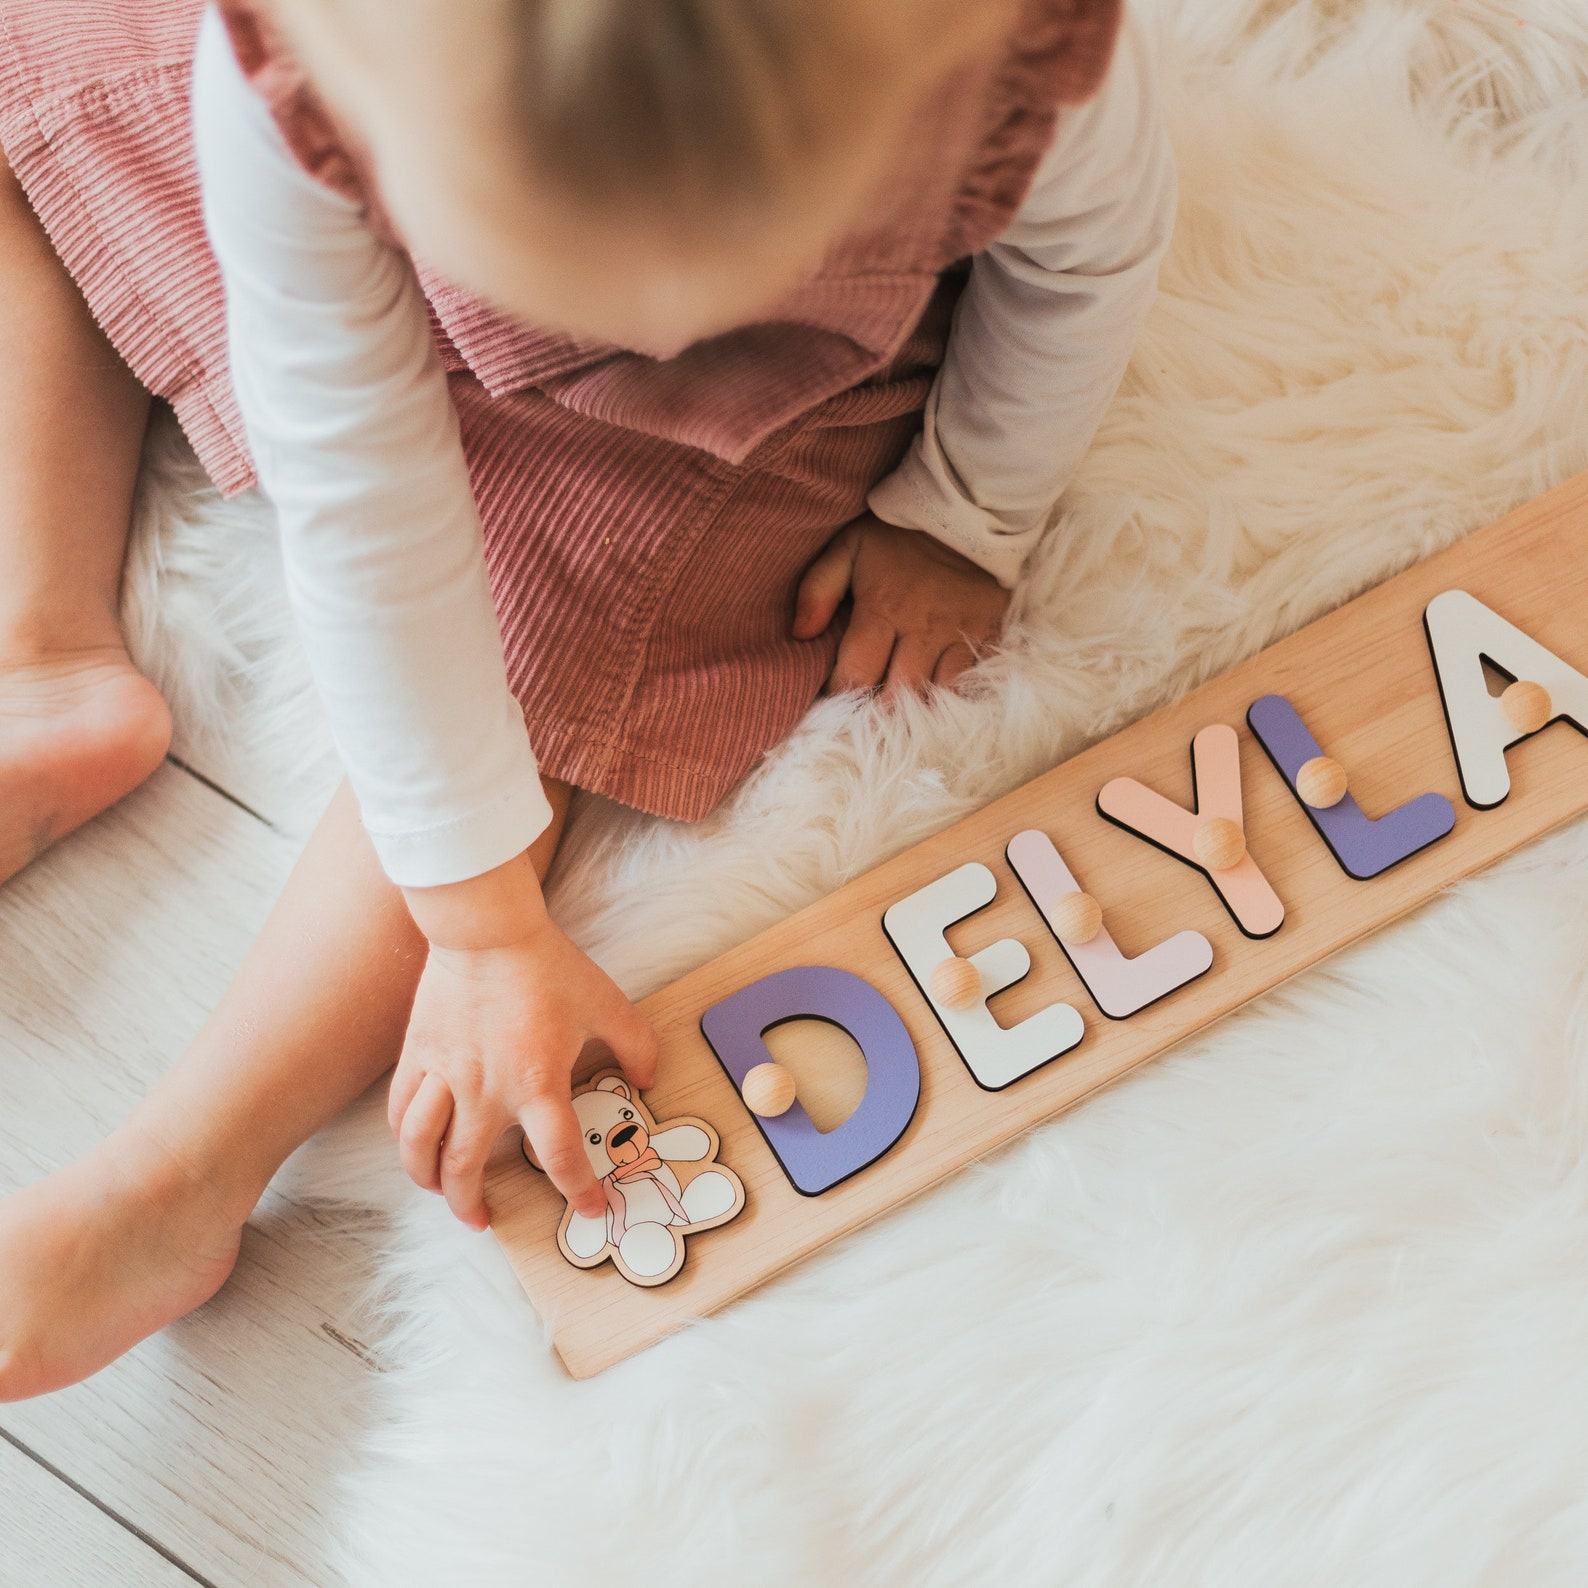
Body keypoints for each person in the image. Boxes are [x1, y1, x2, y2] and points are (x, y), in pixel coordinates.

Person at [0, 0, 1174, 1399]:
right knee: (32, 78)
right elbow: (365, 497)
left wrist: (962, 513)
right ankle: (43, 654)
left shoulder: (1022, 77)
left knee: (530, 675)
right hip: (363, 275)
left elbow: (1085, 276)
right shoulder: (297, 82)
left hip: (751, 414)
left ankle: (182, 1173)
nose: (640, 321)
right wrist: (479, 921)